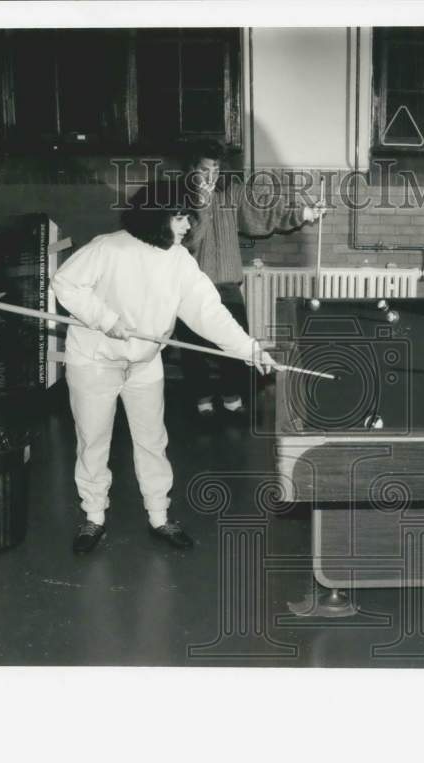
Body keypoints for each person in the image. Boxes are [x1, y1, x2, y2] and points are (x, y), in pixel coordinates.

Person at [51, 178, 276, 554]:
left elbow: (208, 312)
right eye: (180, 216)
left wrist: (248, 349)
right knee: (93, 440)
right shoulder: (109, 248)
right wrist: (105, 319)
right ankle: (93, 517)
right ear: (156, 216)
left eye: (189, 216)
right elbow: (65, 283)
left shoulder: (179, 261)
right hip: (94, 361)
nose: (188, 225)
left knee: (153, 441)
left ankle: (159, 516)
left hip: (144, 362)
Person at [175, 138, 324, 421]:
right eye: (204, 170)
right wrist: (203, 204)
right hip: (191, 287)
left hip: (227, 284)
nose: (211, 177)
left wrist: (304, 213)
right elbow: (190, 240)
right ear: (191, 169)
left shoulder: (231, 192)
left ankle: (231, 399)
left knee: (236, 344)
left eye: (216, 170)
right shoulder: (179, 199)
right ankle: (202, 401)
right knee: (194, 351)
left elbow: (263, 211)